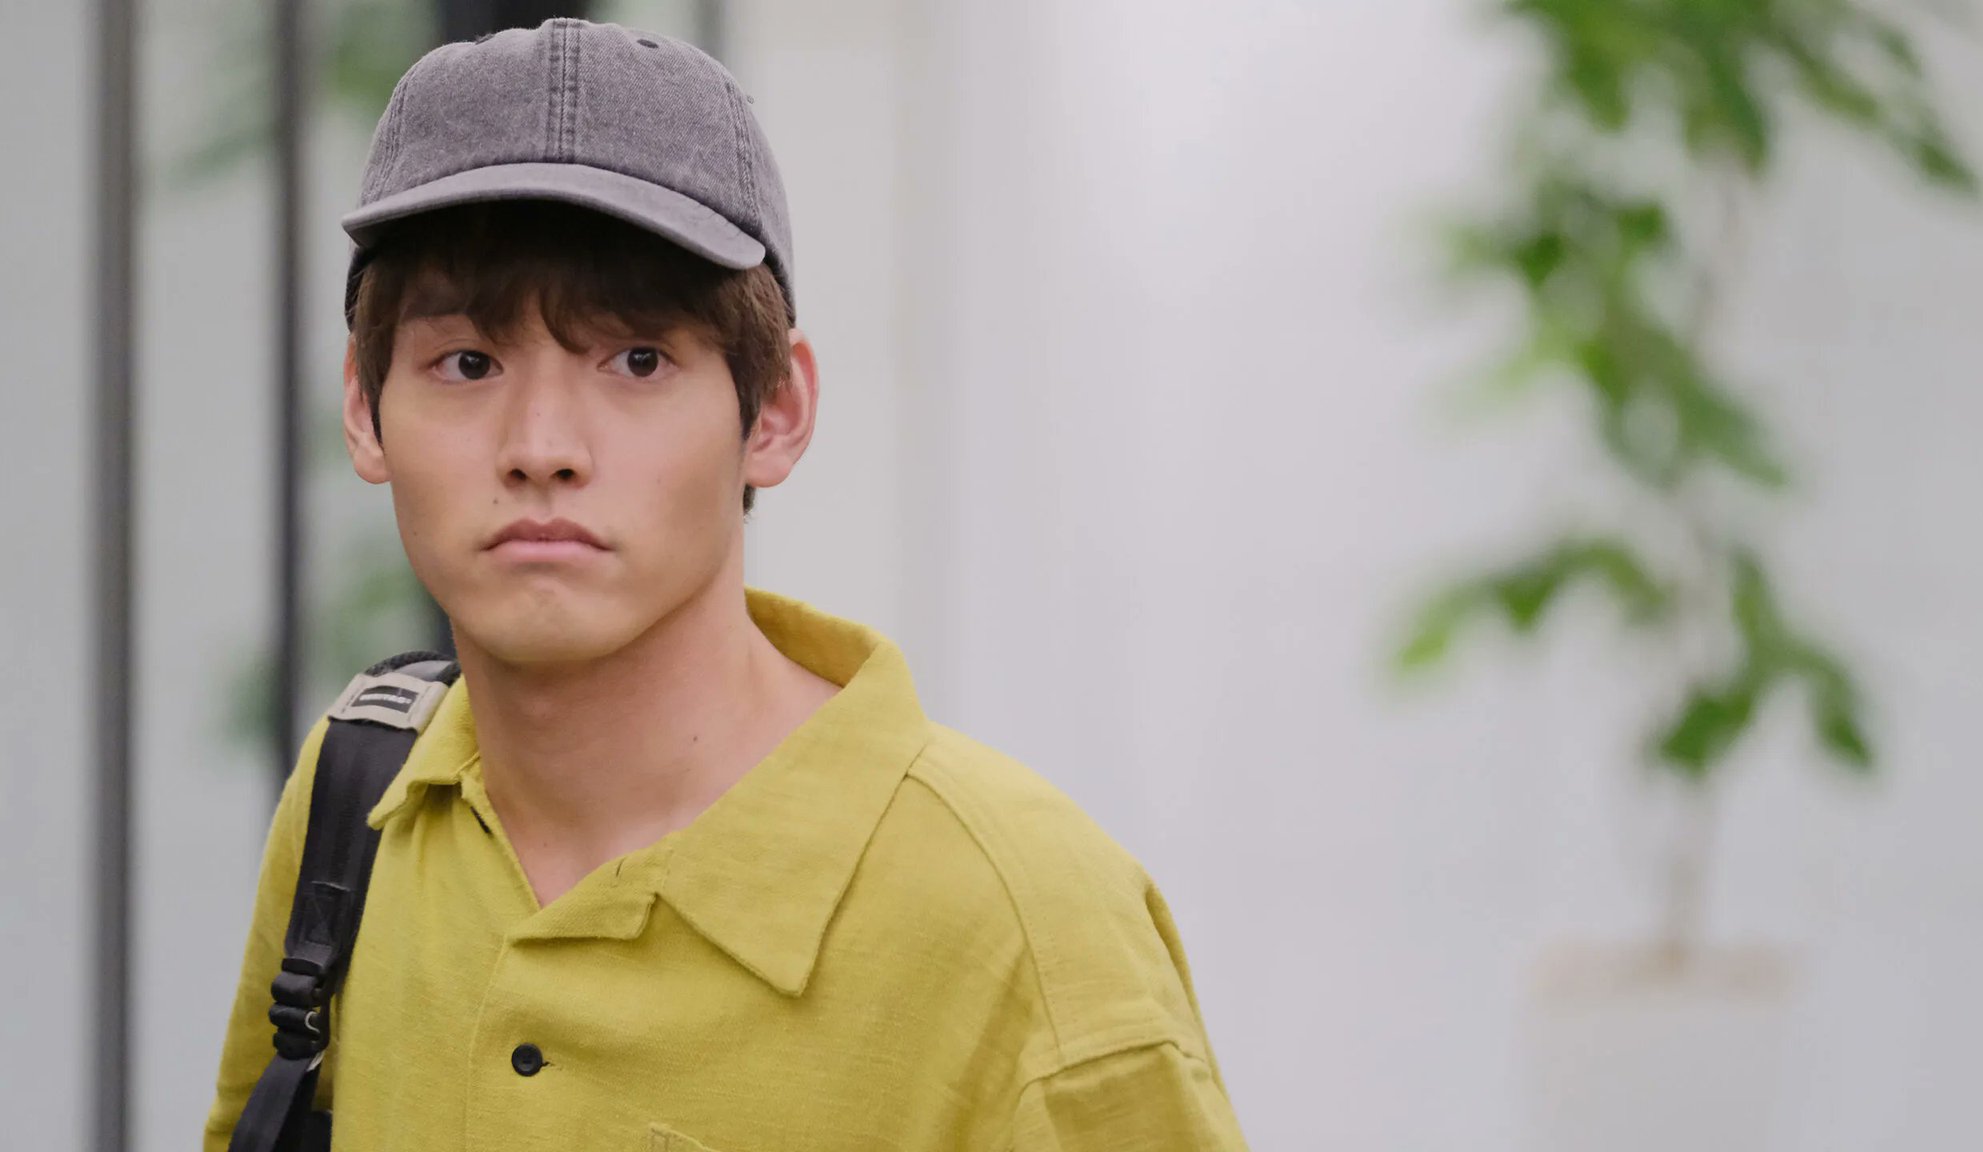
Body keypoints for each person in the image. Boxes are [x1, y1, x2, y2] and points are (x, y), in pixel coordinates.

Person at [204, 19, 1247, 1152]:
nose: (541, 447)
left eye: (637, 359)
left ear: (777, 412)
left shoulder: (1027, 922)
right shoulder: (358, 798)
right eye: (468, 363)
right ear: (364, 408)